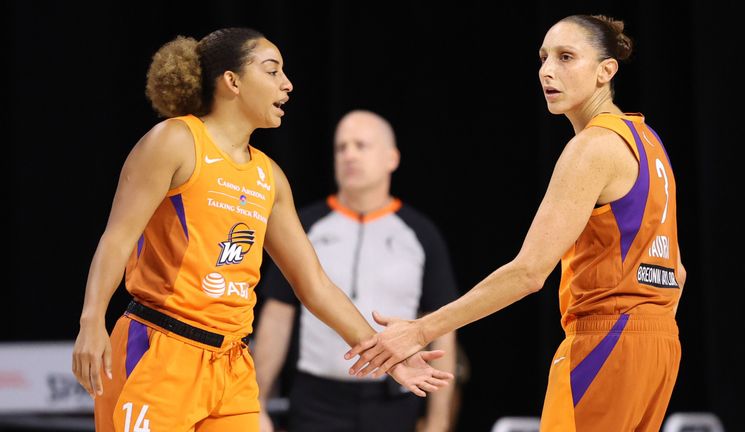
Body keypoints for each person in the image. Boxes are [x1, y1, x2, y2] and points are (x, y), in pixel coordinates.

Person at [70, 27, 453, 432]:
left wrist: (387, 354)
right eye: (272, 71)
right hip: (160, 350)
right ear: (232, 81)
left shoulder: (269, 177)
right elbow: (116, 238)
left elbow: (315, 285)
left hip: (232, 367)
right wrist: (91, 322)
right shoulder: (176, 141)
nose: (287, 84)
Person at [346, 14, 685, 431]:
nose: (547, 70)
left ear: (606, 71)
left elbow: (528, 272)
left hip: (607, 340)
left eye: (566, 57)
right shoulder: (649, 142)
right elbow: (677, 273)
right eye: (543, 58)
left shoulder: (592, 147)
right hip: (660, 343)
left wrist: (420, 331)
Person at [252, 110, 459, 432]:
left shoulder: (420, 234)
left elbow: (442, 327)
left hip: (393, 400)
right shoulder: (304, 226)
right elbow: (278, 316)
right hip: (317, 399)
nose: (349, 154)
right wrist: (257, 401)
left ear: (391, 158)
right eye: (341, 147)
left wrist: (438, 421)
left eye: (361, 145)